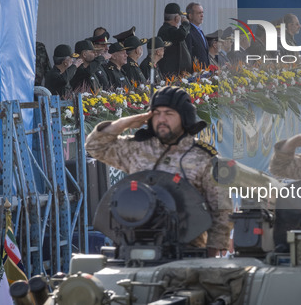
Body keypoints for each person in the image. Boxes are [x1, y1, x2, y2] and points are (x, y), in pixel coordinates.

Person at [85, 86, 231, 255]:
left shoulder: (204, 157)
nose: (161, 119)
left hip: (187, 251)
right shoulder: (137, 148)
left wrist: (212, 251)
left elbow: (221, 208)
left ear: (184, 118)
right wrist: (122, 123)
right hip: (134, 247)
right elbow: (94, 146)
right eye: (156, 113)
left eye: (169, 114)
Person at [158, 3, 192, 76]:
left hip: (179, 73)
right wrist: (185, 23)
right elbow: (182, 34)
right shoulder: (166, 30)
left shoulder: (170, 30)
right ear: (177, 18)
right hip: (171, 74)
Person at [185, 2, 209, 70]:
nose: (202, 15)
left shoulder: (200, 31)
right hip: (196, 74)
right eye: (199, 13)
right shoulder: (188, 32)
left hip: (204, 73)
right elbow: (188, 56)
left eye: (202, 12)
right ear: (190, 16)